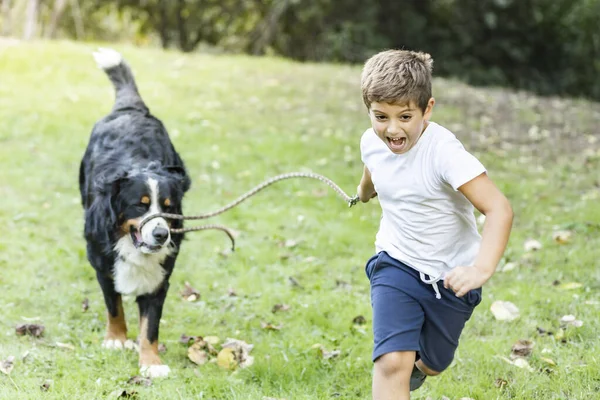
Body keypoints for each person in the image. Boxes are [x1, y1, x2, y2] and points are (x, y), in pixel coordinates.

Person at [356, 49, 513, 400]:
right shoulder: (372, 141)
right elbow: (373, 166)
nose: (392, 129)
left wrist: (480, 269)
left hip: (452, 278)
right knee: (391, 362)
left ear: (427, 109)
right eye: (380, 116)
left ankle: (421, 367)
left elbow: (499, 209)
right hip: (395, 263)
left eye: (404, 116)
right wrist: (364, 191)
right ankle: (400, 370)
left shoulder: (444, 152)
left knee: (433, 362)